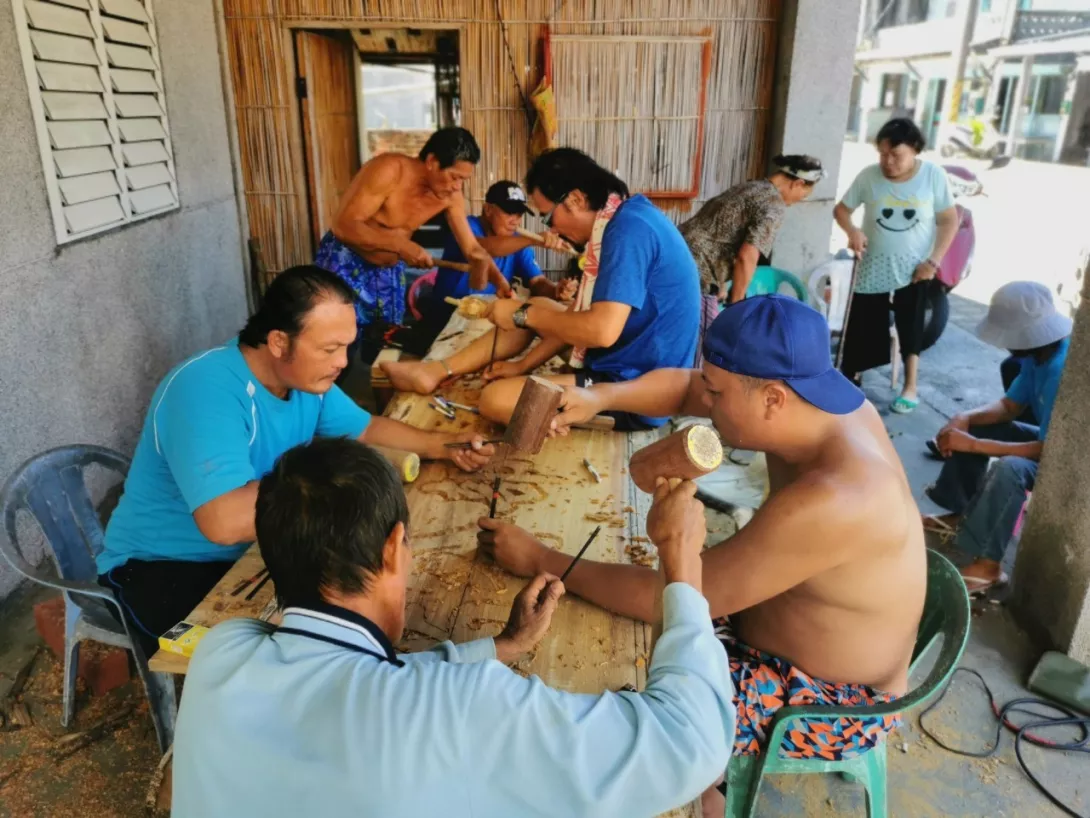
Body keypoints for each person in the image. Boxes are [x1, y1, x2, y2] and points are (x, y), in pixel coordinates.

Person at [478, 295, 926, 813]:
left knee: (639, 725)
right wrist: (600, 397)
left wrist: (544, 559)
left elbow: (677, 599)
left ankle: (704, 797)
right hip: (771, 623)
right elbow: (689, 386)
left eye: (716, 393)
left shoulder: (836, 499)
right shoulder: (822, 402)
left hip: (827, 698)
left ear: (773, 399)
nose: (704, 400)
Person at [172, 437, 735, 818]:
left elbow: (342, 674)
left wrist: (500, 647)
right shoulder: (458, 708)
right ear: (394, 547)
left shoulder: (221, 653)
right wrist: (680, 556)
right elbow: (690, 741)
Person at [97, 266, 494, 659]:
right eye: (329, 349)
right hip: (161, 567)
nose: (343, 362)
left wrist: (442, 445)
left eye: (346, 346)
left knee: (340, 635)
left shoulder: (305, 382)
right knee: (265, 666)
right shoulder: (205, 389)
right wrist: (336, 494)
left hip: (252, 553)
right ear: (278, 342)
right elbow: (222, 522)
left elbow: (366, 427)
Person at [382, 147, 702, 432]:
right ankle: (436, 371)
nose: (552, 230)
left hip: (635, 388)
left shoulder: (627, 233)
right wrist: (522, 364)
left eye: (548, 218)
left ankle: (578, 409)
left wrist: (522, 314)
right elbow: (578, 319)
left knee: (496, 399)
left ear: (575, 199)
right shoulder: (625, 220)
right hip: (630, 357)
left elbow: (600, 331)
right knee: (542, 306)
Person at [924, 281, 1071, 594]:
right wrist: (966, 418)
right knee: (972, 428)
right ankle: (960, 514)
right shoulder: (1037, 358)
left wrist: (973, 444)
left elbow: (1049, 451)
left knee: (1011, 468)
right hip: (1050, 445)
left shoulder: (1061, 369)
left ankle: (989, 566)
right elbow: (1008, 407)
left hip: (1070, 464)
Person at [315, 127, 506, 360]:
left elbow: (473, 249)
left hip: (388, 273)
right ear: (432, 162)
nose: (458, 186)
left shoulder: (450, 196)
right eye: (455, 177)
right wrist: (400, 245)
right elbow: (343, 225)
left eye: (463, 180)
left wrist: (500, 283)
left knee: (386, 349)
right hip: (346, 264)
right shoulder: (389, 171)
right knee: (332, 345)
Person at [834, 117, 959, 415]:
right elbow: (841, 210)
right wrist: (853, 231)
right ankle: (852, 380)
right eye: (882, 154)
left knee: (911, 327)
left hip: (915, 268)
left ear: (914, 149)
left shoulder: (932, 176)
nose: (888, 162)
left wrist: (933, 261)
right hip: (872, 265)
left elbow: (949, 220)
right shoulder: (869, 176)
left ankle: (910, 387)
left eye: (896, 155)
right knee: (861, 324)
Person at [421, 180, 578, 330]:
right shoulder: (466, 227)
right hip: (446, 317)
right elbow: (478, 249)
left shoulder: (519, 242)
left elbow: (537, 282)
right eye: (509, 212)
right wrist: (532, 240)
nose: (515, 221)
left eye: (519, 214)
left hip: (485, 320)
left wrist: (555, 290)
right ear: (488, 210)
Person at [679, 154, 824, 303]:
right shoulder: (774, 205)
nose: (798, 201)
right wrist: (737, 304)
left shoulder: (749, 187)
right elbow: (747, 256)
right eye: (804, 195)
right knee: (704, 318)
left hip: (677, 249)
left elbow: (719, 232)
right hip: (695, 270)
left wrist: (721, 284)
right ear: (798, 183)